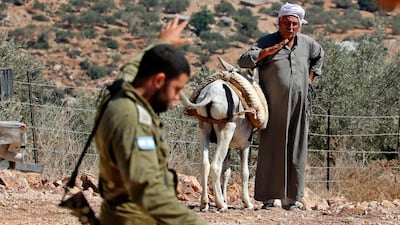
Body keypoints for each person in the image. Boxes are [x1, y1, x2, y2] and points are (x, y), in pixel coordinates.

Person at [94, 17, 206, 225]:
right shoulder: (132, 121)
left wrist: (160, 44)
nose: (176, 99)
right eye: (177, 90)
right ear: (158, 80)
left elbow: (132, 67)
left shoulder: (120, 91)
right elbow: (150, 194)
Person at [237, 3, 324, 210]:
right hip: (273, 107)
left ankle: (292, 199)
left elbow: (319, 56)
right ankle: (269, 198)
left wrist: (310, 77)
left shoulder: (307, 44)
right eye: (287, 23)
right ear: (279, 22)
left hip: (299, 106)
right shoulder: (266, 41)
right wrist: (268, 51)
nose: (291, 27)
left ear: (300, 24)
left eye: (295, 24)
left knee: (296, 149)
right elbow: (243, 61)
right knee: (271, 148)